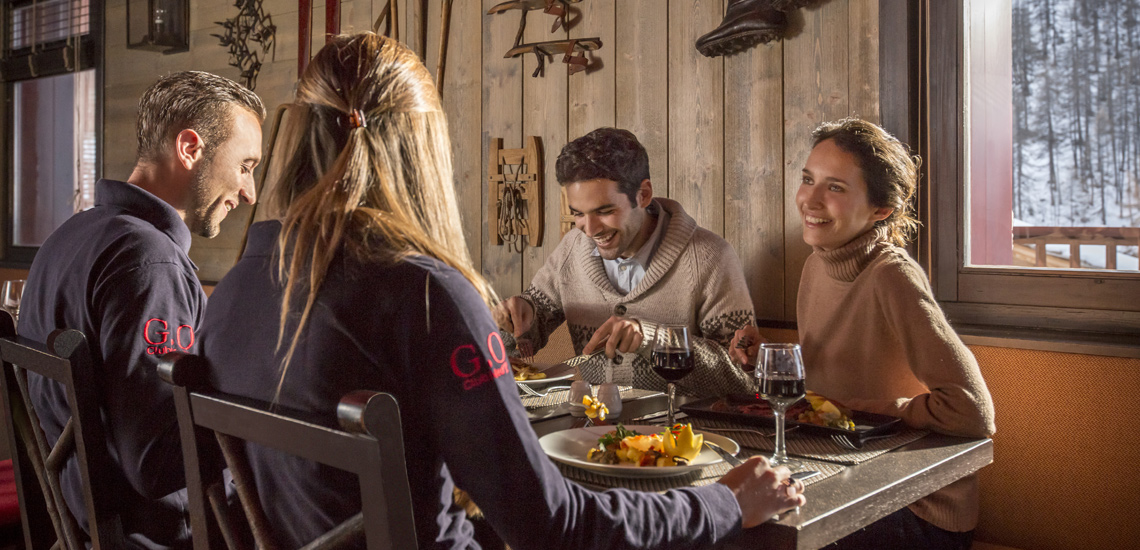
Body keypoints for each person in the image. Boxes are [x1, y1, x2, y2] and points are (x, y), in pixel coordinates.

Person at [199, 32, 805, 549]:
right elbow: (552, 525)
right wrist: (724, 506)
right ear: (421, 148)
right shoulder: (427, 294)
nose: (589, 230)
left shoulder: (234, 290)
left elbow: (739, 369)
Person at [19, 71, 265, 548]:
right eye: (246, 165)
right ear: (191, 148)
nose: (249, 192)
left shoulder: (67, 237)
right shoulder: (148, 263)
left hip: (77, 522)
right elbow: (156, 464)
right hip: (156, 536)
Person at [731, 117, 996, 550]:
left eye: (835, 187)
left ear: (881, 210)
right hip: (842, 474)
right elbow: (842, 364)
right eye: (807, 179)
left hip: (917, 511)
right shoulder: (818, 260)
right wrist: (768, 357)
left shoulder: (893, 276)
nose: (810, 199)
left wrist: (870, 409)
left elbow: (973, 411)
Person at [495, 127, 757, 397]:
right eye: (578, 214)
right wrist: (513, 319)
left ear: (643, 195)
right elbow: (525, 339)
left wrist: (656, 340)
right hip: (590, 426)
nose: (589, 229)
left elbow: (742, 380)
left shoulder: (710, 257)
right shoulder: (571, 250)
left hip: (684, 432)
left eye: (605, 211)